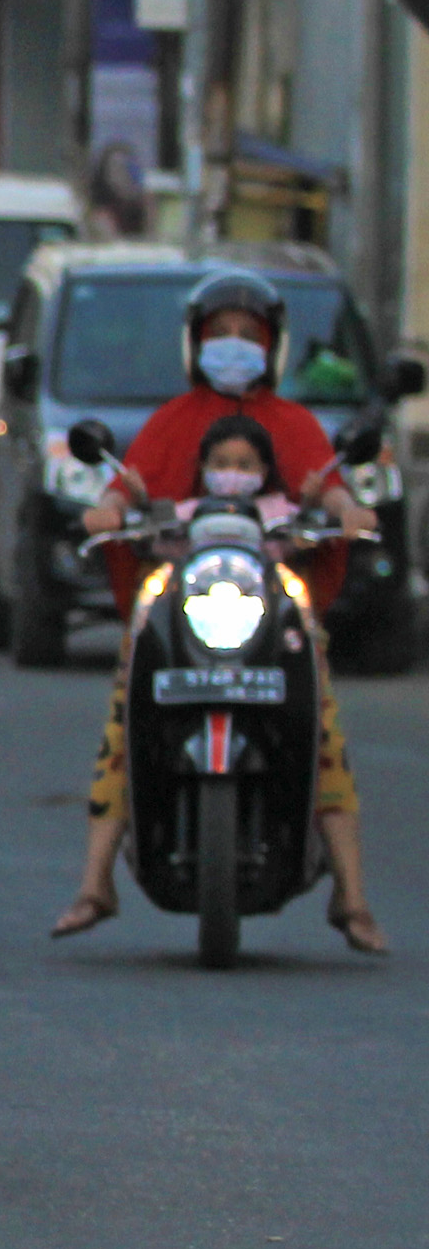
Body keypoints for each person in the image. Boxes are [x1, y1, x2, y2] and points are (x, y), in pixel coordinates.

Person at [54, 272, 385, 951]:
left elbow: (330, 489)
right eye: (221, 333)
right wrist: (108, 510)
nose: (234, 345)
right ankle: (94, 883)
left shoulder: (297, 427)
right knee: (123, 725)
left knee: (323, 732)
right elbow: (127, 488)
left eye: (248, 334)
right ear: (195, 343)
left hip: (271, 611)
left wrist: (347, 511)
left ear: (273, 345)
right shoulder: (170, 422)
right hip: (181, 606)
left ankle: (352, 897)